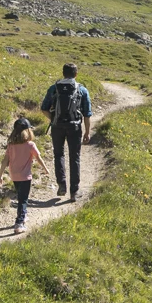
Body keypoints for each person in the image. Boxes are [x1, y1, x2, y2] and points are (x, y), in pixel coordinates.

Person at [40, 63, 93, 202]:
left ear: (63, 73)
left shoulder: (54, 88)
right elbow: (87, 114)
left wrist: (53, 118)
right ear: (76, 74)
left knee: (58, 154)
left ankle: (61, 184)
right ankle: (74, 191)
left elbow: (44, 108)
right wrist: (87, 132)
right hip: (74, 127)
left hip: (57, 126)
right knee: (74, 157)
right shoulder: (82, 90)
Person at [0, 117, 42, 232]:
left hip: (14, 176)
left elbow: (4, 161)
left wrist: (0, 176)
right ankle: (19, 223)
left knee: (21, 196)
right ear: (28, 131)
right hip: (25, 177)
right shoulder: (30, 145)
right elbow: (38, 157)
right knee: (23, 199)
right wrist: (45, 169)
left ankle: (24, 215)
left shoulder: (11, 146)